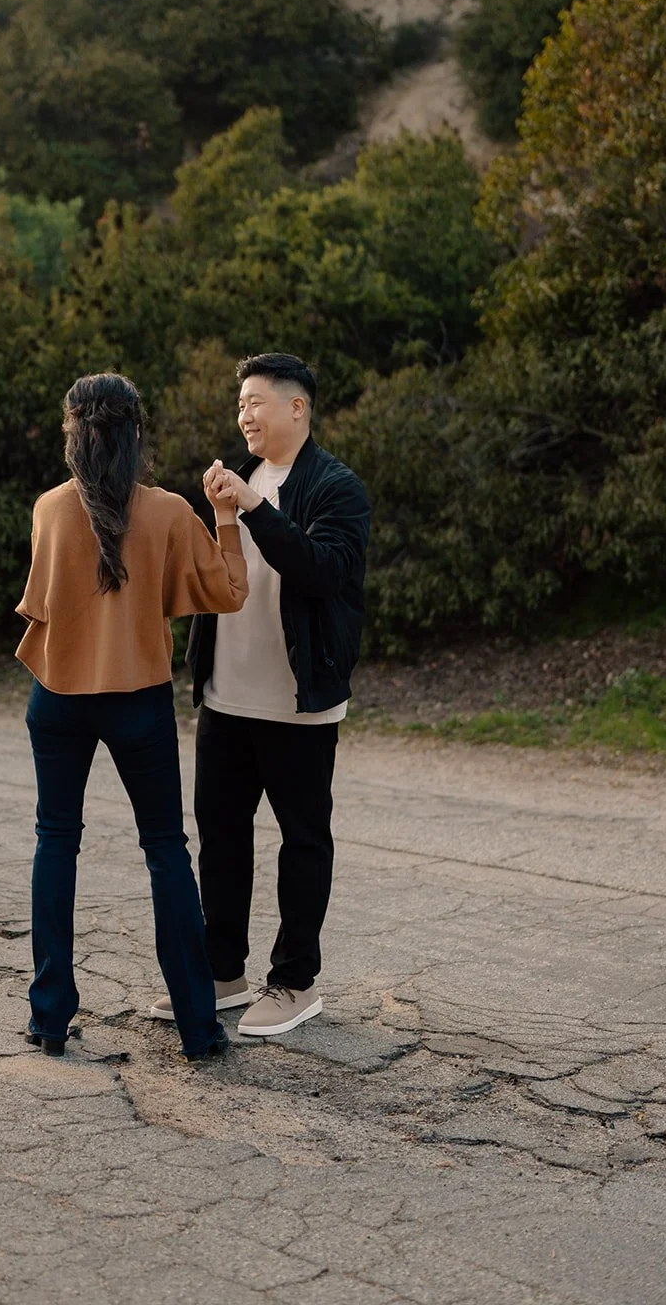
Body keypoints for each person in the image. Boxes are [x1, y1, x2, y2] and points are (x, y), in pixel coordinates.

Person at [15, 372, 248, 1061]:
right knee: (164, 850)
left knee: (55, 841)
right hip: (138, 701)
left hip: (56, 695)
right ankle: (198, 1030)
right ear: (135, 435)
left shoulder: (49, 510)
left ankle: (48, 1019)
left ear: (73, 434)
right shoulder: (170, 511)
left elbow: (44, 605)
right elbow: (228, 593)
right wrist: (227, 517)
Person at [149, 352, 371, 1038]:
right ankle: (223, 973)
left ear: (296, 407)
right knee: (219, 837)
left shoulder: (335, 487)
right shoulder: (238, 480)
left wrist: (252, 508)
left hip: (298, 705)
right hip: (226, 697)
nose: (243, 414)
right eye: (238, 403)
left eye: (255, 401)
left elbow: (320, 573)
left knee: (301, 840)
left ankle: (294, 982)